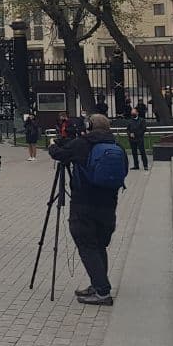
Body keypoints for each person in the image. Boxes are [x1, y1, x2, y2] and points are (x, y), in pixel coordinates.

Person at [48, 113, 124, 305]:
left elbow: (59, 154)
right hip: (108, 204)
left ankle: (102, 291)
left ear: (89, 126)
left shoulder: (82, 144)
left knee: (87, 246)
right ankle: (98, 283)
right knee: (99, 245)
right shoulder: (117, 146)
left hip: (84, 204)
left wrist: (52, 145)